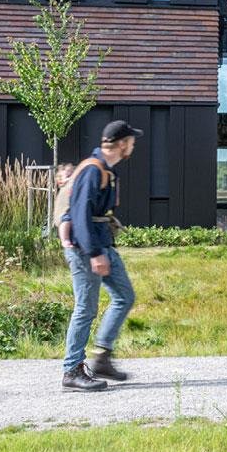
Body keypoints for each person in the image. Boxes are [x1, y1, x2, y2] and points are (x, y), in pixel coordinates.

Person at [60, 120, 142, 392]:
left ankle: (102, 358)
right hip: (86, 248)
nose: (133, 146)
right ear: (121, 144)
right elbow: (80, 213)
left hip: (102, 243)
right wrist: (94, 253)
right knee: (86, 308)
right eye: (131, 141)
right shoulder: (93, 170)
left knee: (124, 296)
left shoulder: (107, 170)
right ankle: (72, 370)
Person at [52, 163, 75, 248]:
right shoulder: (64, 185)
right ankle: (64, 239)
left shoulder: (72, 184)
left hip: (71, 211)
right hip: (63, 212)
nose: (70, 174)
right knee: (65, 221)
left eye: (72, 172)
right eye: (67, 173)